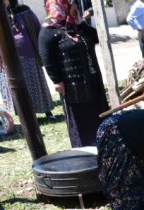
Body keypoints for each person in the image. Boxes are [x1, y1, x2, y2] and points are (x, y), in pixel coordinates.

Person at [39, 0, 110, 148]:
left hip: (93, 81)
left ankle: (105, 145)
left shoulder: (76, 25)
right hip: (74, 87)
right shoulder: (49, 30)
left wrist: (81, 22)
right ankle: (85, 150)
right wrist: (56, 80)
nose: (75, 7)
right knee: (82, 119)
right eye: (71, 4)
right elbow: (46, 57)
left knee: (98, 114)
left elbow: (97, 38)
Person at [0, 0, 56, 120]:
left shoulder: (24, 10)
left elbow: (37, 29)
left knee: (35, 83)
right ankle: (24, 114)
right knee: (16, 86)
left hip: (29, 55)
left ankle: (47, 111)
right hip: (8, 58)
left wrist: (42, 47)